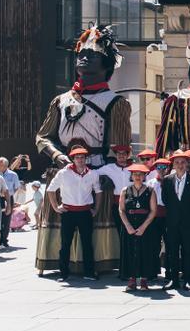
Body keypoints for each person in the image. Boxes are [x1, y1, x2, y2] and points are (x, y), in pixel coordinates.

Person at [34, 25, 132, 276]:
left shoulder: (116, 103)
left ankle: (98, 262)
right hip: (63, 170)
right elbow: (43, 137)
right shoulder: (60, 100)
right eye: (81, 54)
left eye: (94, 55)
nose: (84, 58)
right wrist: (57, 155)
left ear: (107, 65)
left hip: (98, 170)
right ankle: (60, 263)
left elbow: (119, 147)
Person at [46, 149, 98, 278]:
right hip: (68, 212)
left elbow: (99, 192)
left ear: (86, 159)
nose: (80, 160)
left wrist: (96, 209)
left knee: (87, 243)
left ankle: (89, 272)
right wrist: (56, 208)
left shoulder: (92, 174)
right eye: (77, 157)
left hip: (85, 212)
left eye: (82, 157)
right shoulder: (63, 173)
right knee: (65, 243)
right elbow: (51, 189)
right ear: (73, 159)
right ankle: (64, 273)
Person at [161, 150, 190, 291]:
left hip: (187, 221)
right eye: (177, 162)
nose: (180, 165)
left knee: (188, 251)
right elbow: (165, 199)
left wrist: (189, 213)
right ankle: (173, 280)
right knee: (172, 251)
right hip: (172, 222)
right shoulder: (167, 180)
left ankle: (187, 279)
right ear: (173, 164)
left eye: (183, 162)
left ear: (187, 164)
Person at [118, 163, 157, 291]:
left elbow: (153, 211)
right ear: (131, 176)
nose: (137, 176)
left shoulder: (150, 191)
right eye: (135, 174)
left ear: (145, 175)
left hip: (145, 225)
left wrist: (143, 227)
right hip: (129, 224)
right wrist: (128, 226)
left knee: (145, 251)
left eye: (140, 174)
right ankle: (132, 279)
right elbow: (121, 210)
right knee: (130, 251)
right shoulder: (125, 191)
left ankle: (144, 280)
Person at [0, 157, 21, 248]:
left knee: (7, 219)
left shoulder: (13, 175)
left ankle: (4, 240)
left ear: (5, 166)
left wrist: (10, 195)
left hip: (8, 198)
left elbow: (17, 187)